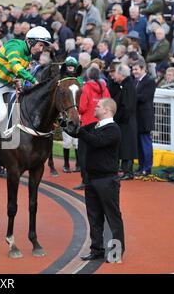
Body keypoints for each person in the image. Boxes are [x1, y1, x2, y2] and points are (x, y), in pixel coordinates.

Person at [0, 26, 52, 164]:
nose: (41, 49)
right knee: (1, 114)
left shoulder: (27, 56)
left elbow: (17, 74)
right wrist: (33, 80)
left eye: (43, 47)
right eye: (40, 45)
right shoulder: (14, 45)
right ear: (31, 41)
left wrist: (19, 81)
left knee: (22, 109)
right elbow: (16, 66)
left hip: (8, 86)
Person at [67, 98, 124, 263]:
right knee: (94, 216)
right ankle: (96, 250)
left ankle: (116, 253)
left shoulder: (114, 130)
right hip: (92, 179)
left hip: (107, 180)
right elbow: (76, 132)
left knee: (113, 217)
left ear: (106, 110)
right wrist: (64, 124)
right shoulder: (94, 126)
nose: (95, 107)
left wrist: (81, 131)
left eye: (98, 106)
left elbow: (96, 141)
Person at [74, 67, 111, 190]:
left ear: (88, 76)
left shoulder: (86, 88)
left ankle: (86, 180)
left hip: (87, 124)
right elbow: (109, 103)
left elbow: (82, 108)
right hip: (102, 123)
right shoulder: (104, 88)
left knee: (83, 154)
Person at [110, 64, 138, 180]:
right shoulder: (124, 85)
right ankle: (126, 170)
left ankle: (128, 172)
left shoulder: (128, 86)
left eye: (116, 72)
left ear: (121, 74)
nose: (114, 75)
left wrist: (118, 118)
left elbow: (127, 106)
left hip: (126, 122)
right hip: (125, 121)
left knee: (127, 147)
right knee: (124, 146)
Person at [132, 60, 156, 177]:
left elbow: (144, 97)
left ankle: (147, 168)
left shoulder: (150, 81)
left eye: (136, 69)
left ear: (143, 69)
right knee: (139, 145)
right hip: (136, 117)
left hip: (145, 118)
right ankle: (141, 167)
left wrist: (131, 96)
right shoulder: (135, 81)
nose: (134, 72)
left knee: (145, 143)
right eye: (133, 69)